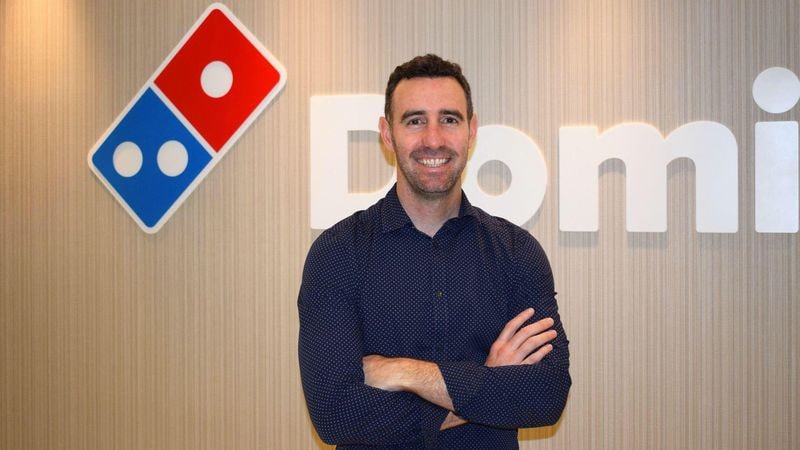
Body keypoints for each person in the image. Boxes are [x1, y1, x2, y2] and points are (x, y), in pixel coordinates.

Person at [298, 54, 570, 449]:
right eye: (414, 121)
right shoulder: (338, 254)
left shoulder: (517, 253)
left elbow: (546, 393)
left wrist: (405, 372)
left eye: (449, 119)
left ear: (471, 131)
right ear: (387, 134)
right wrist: (486, 386)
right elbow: (336, 414)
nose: (433, 139)